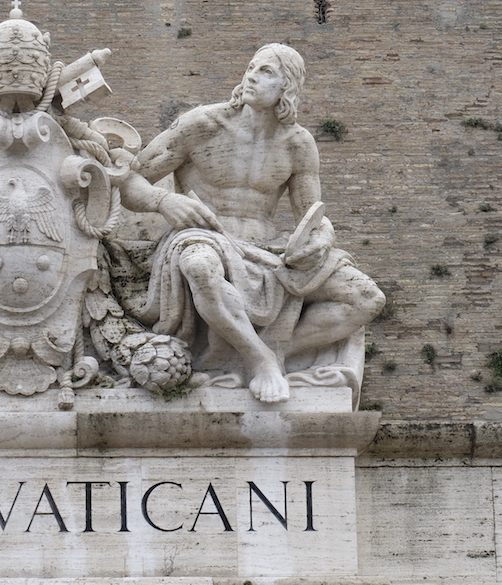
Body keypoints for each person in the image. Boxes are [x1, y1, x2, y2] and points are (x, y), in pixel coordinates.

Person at [130, 43, 384, 403]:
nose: (251, 76)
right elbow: (130, 180)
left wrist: (321, 238)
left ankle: (276, 350)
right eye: (251, 68)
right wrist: (163, 200)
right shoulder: (203, 124)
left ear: (287, 88)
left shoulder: (298, 144)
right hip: (202, 236)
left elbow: (312, 215)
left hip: (268, 248)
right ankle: (258, 359)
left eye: (265, 72)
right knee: (199, 266)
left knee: (367, 298)